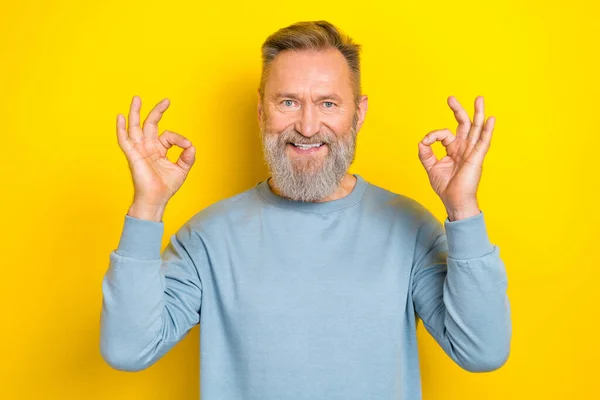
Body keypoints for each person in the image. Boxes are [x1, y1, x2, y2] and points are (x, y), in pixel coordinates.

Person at [100, 20, 511, 400]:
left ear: (360, 112)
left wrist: (463, 208)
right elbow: (127, 349)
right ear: (262, 112)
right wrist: (147, 206)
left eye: (328, 103)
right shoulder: (208, 237)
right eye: (288, 103)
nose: (309, 126)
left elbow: (481, 351)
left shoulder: (410, 228)